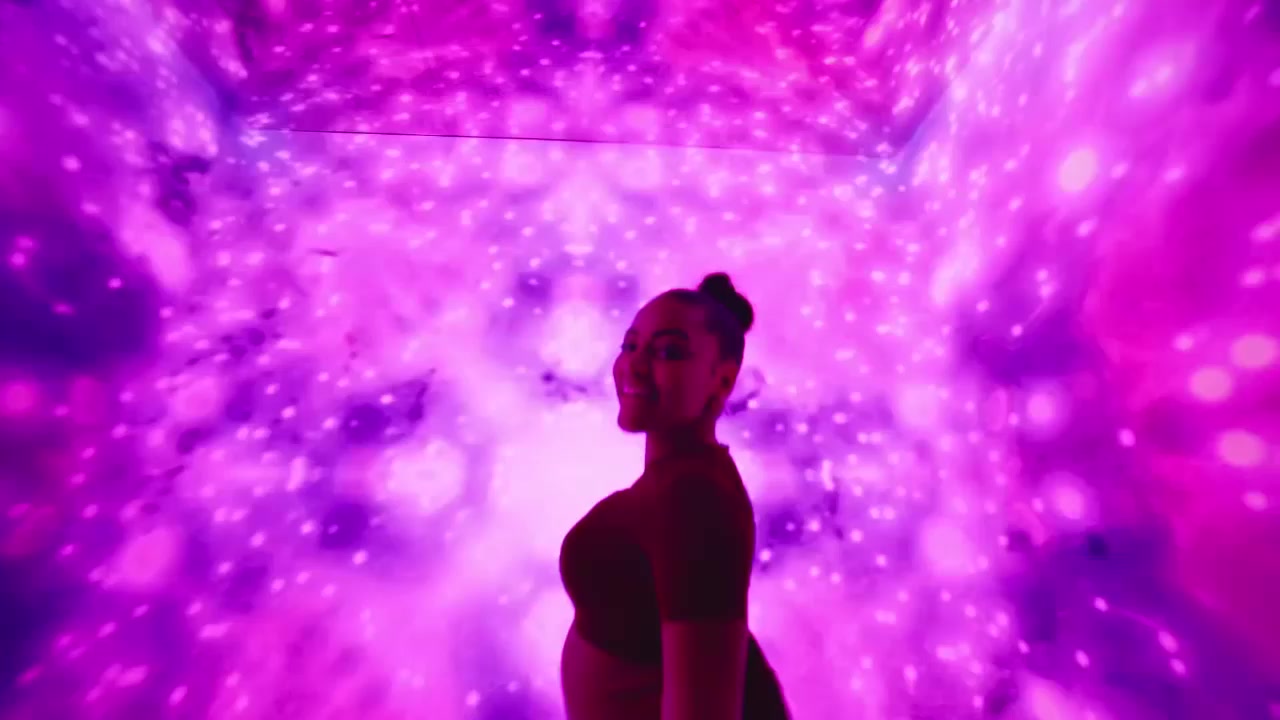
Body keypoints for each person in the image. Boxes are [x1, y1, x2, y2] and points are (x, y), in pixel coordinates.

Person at [559, 273, 790, 720]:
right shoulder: (679, 482)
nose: (634, 366)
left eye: (667, 352)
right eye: (630, 346)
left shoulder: (696, 500)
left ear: (721, 381)